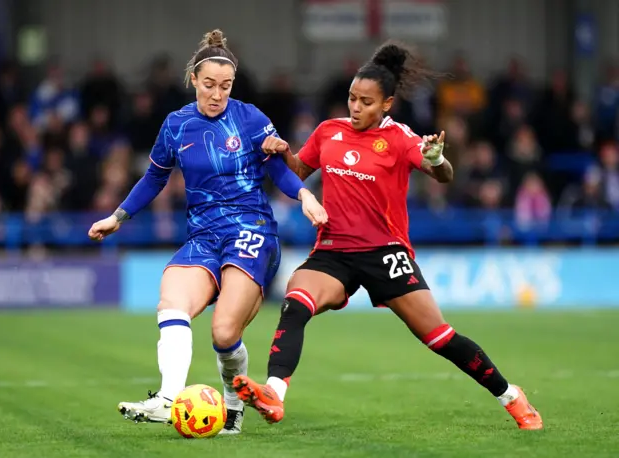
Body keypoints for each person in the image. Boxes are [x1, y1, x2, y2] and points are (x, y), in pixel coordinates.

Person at [233, 41, 543, 431]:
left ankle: (512, 397)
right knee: (296, 301)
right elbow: (296, 170)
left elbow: (442, 173)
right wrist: (281, 153)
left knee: (439, 337)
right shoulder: (329, 131)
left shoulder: (399, 138)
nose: (355, 107)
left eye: (366, 101)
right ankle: (274, 393)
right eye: (351, 98)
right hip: (335, 250)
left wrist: (437, 160)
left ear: (387, 105)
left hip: (385, 252)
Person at [87, 29, 327, 435]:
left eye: (226, 86)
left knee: (223, 332)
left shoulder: (250, 118)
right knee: (172, 303)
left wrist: (304, 195)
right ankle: (167, 399)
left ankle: (233, 407)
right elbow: (153, 178)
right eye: (210, 85)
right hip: (203, 237)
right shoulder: (177, 125)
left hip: (251, 232)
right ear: (194, 80)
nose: (218, 94)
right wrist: (118, 216)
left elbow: (279, 170)